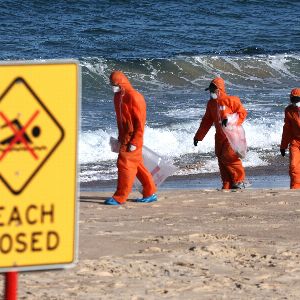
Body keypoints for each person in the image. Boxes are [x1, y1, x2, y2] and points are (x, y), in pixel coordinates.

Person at [105, 71, 157, 205]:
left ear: (121, 83)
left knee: (125, 165)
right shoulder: (117, 97)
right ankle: (150, 192)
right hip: (124, 137)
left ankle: (120, 197)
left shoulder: (134, 97)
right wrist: (119, 137)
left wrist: (136, 140)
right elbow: (121, 120)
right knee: (137, 166)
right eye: (111, 84)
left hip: (133, 138)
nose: (112, 86)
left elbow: (140, 122)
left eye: (114, 84)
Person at [193, 77, 247, 189]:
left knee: (229, 157)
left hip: (231, 135)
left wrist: (230, 119)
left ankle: (239, 180)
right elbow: (206, 121)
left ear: (219, 89)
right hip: (219, 136)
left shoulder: (231, 100)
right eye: (210, 90)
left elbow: (242, 113)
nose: (211, 92)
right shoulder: (211, 104)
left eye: (213, 90)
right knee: (220, 158)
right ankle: (227, 183)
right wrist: (198, 136)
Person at [280, 88, 300, 189]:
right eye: (293, 100)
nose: (295, 102)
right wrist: (283, 146)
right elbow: (286, 129)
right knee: (293, 166)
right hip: (295, 142)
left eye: (297, 99)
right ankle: (295, 189)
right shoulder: (288, 110)